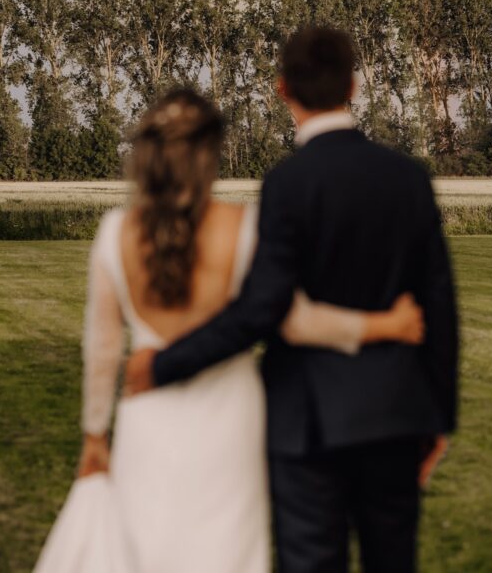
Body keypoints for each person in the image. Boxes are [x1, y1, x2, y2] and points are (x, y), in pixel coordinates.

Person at [33, 86, 427, 573]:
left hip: (145, 416)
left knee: (147, 549)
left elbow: (103, 347)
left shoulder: (114, 233)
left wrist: (95, 433)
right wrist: (384, 324)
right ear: (210, 155)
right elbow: (296, 321)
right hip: (230, 424)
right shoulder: (245, 227)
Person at [125, 28, 459, 573]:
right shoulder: (409, 179)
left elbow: (262, 309)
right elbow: (440, 307)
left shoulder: (287, 183)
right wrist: (437, 415)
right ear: (353, 85)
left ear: (283, 89)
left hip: (306, 425)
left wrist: (164, 364)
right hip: (397, 416)